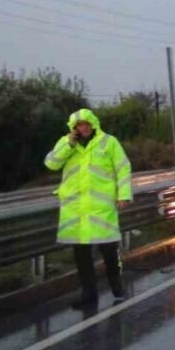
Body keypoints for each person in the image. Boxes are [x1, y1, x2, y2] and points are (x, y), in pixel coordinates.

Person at [44, 108, 133, 308]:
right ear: (73, 128)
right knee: (81, 255)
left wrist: (124, 195)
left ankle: (115, 283)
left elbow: (123, 168)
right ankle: (88, 293)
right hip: (76, 210)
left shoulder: (108, 142)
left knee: (109, 251)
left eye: (86, 124)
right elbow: (51, 164)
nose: (83, 128)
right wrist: (68, 144)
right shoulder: (66, 143)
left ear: (93, 124)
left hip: (102, 209)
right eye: (78, 125)